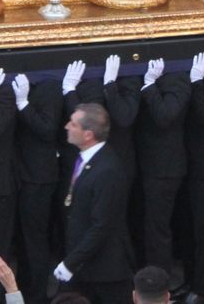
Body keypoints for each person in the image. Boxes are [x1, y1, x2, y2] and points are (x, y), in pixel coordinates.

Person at [56, 101, 133, 304]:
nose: (66, 127)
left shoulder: (107, 170)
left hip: (106, 272)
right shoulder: (87, 160)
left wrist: (70, 263)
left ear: (88, 134)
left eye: (73, 124)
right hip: (86, 267)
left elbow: (102, 226)